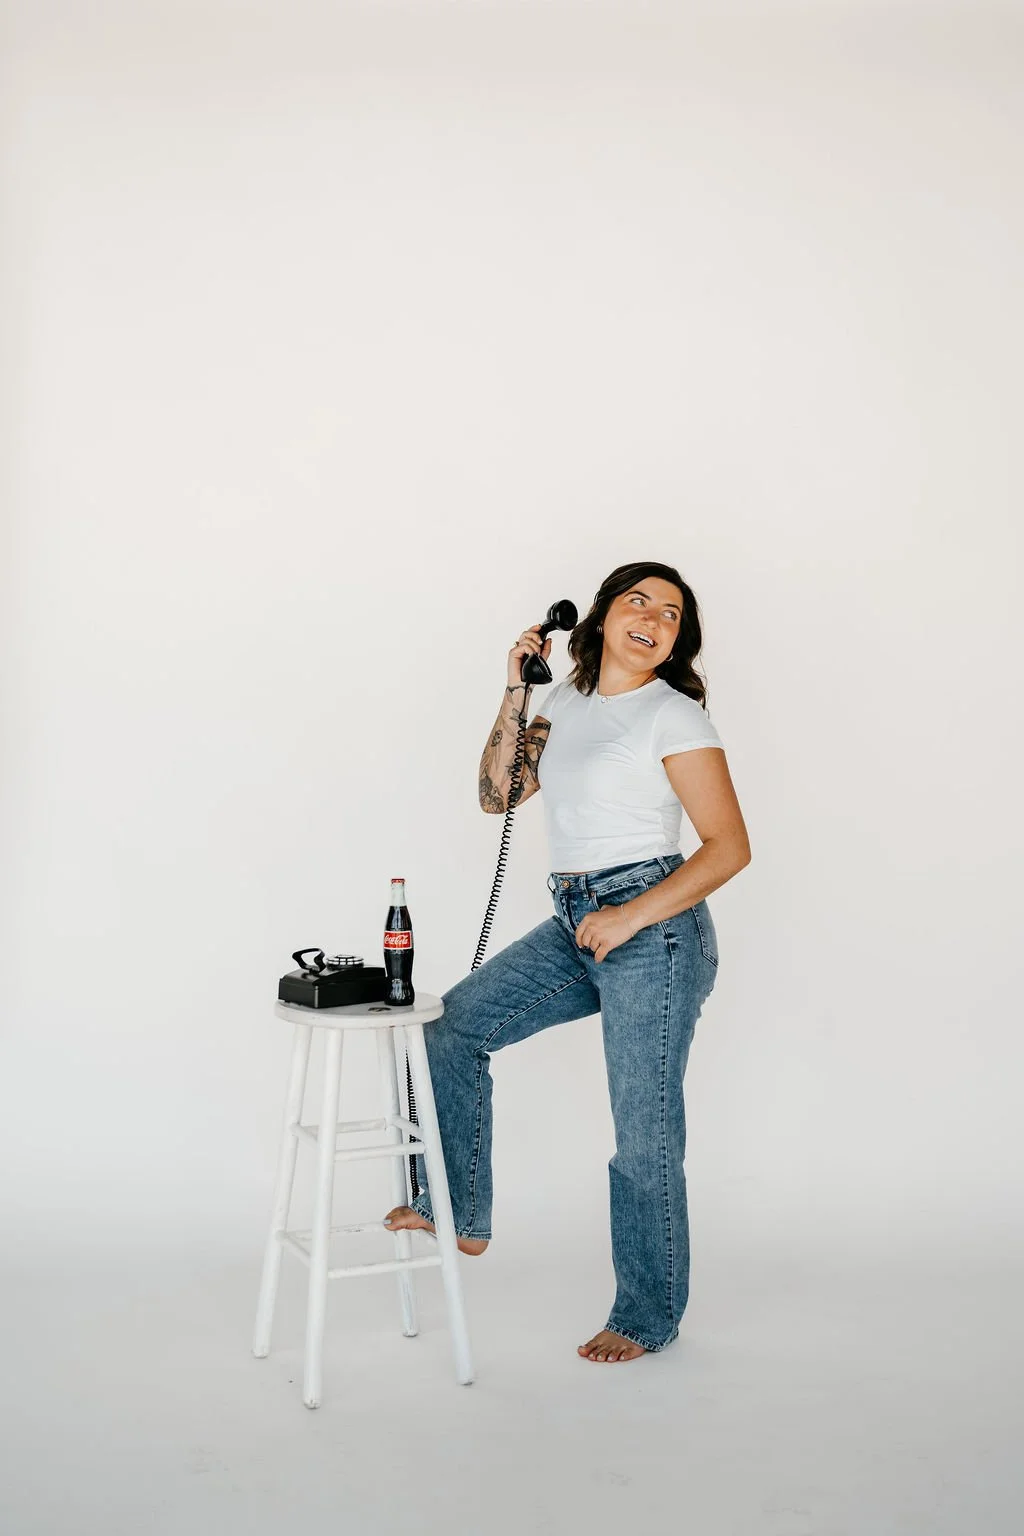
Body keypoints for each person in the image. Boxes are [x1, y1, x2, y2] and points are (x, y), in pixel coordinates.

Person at [383, 559, 751, 1364]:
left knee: (643, 1133)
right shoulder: (565, 702)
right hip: (578, 918)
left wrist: (628, 917)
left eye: (672, 612)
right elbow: (498, 795)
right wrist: (515, 687)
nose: (654, 616)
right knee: (455, 1026)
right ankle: (460, 1213)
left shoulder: (674, 717)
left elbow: (729, 848)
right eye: (638, 600)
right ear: (600, 616)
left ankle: (646, 1315)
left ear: (678, 638)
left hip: (653, 928)